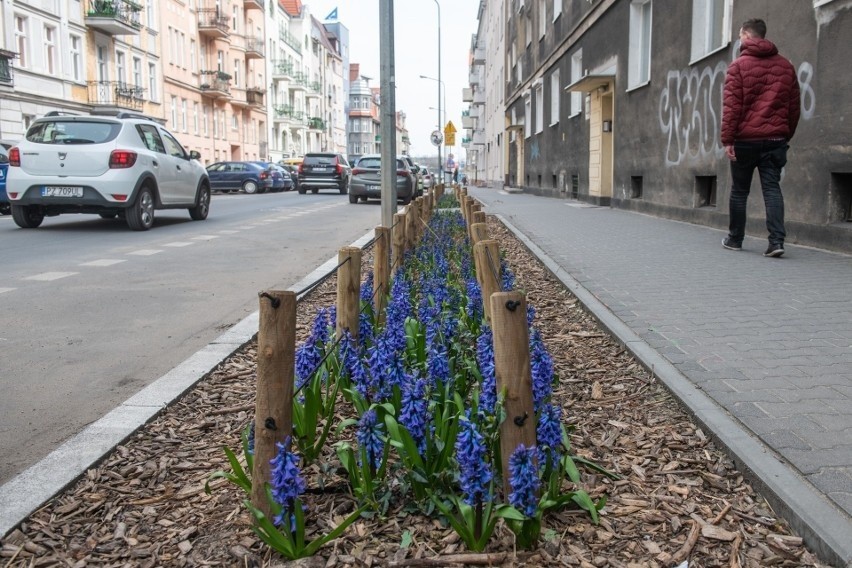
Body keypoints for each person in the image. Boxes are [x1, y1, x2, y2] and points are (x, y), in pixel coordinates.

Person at [721, 18, 800, 258]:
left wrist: (727, 140)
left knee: (739, 191)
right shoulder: (786, 66)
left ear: (746, 34)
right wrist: (785, 134)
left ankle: (735, 239)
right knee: (772, 189)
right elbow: (794, 107)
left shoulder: (738, 66)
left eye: (739, 34)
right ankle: (776, 242)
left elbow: (731, 107)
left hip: (745, 140)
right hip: (775, 140)